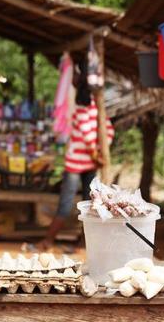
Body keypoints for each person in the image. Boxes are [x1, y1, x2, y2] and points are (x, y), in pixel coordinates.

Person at [40, 96, 113, 250]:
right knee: (90, 203)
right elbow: (107, 132)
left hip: (81, 162)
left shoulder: (83, 108)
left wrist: (96, 153)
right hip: (89, 162)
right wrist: (98, 153)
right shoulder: (99, 111)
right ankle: (80, 243)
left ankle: (51, 241)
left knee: (72, 204)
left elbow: (89, 134)